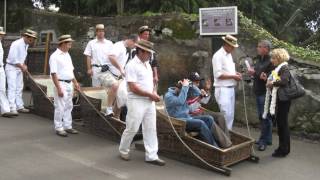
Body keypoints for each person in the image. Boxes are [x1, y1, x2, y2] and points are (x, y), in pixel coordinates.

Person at [119, 40, 165, 166]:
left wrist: (154, 92)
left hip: (149, 101)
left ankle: (151, 155)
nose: (150, 55)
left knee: (151, 128)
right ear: (141, 51)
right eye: (148, 53)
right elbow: (133, 87)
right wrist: (151, 94)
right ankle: (123, 149)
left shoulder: (148, 65)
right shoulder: (131, 65)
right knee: (132, 127)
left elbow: (151, 83)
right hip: (136, 101)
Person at [164, 79, 218, 147]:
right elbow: (180, 101)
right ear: (177, 89)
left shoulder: (183, 92)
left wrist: (191, 84)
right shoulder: (168, 96)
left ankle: (207, 142)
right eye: (184, 90)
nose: (186, 93)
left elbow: (197, 94)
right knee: (201, 123)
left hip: (188, 117)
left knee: (209, 119)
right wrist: (185, 87)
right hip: (179, 121)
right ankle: (214, 147)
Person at [187, 72, 232, 148]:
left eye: (198, 82)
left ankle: (227, 141)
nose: (198, 84)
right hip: (193, 115)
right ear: (190, 82)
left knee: (220, 116)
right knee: (210, 120)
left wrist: (207, 90)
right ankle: (225, 144)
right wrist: (200, 97)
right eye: (196, 82)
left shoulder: (196, 89)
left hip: (201, 111)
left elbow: (205, 101)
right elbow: (189, 109)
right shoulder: (187, 91)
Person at [49, 35, 80, 137]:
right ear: (63, 43)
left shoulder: (67, 54)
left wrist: (75, 83)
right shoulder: (54, 56)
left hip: (69, 83)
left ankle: (67, 126)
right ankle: (58, 127)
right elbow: (54, 74)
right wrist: (58, 88)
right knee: (60, 106)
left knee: (69, 105)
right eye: (69, 43)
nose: (70, 45)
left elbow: (71, 71)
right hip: (60, 83)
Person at [248, 40, 274, 151]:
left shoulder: (271, 61)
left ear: (266, 49)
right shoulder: (260, 60)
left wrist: (255, 73)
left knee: (264, 117)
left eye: (259, 46)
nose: (257, 48)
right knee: (264, 116)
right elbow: (259, 75)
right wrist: (253, 73)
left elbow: (268, 77)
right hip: (258, 91)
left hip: (265, 93)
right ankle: (267, 139)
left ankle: (263, 141)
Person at [212, 34, 242, 130]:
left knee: (230, 115)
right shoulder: (218, 56)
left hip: (230, 88)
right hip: (222, 89)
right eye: (232, 47)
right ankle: (223, 137)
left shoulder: (228, 55)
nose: (233, 49)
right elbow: (218, 75)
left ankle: (228, 135)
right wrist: (233, 76)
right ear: (227, 44)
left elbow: (227, 70)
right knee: (224, 115)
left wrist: (235, 73)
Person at [266, 48, 291, 157]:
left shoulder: (284, 67)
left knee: (283, 124)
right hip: (280, 100)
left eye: (273, 58)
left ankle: (284, 149)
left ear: (279, 58)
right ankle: (282, 148)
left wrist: (272, 83)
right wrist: (269, 80)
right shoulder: (279, 68)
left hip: (283, 100)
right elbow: (278, 80)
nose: (272, 60)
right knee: (281, 124)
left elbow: (284, 81)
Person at [5, 29, 37, 115]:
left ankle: (19, 106)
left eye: (33, 39)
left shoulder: (26, 44)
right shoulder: (16, 44)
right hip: (11, 68)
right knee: (12, 87)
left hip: (18, 68)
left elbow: (22, 57)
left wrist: (24, 65)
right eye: (31, 39)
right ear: (26, 37)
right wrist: (22, 66)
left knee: (19, 87)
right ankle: (12, 107)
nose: (32, 41)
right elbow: (13, 59)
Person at [107, 34, 138, 118]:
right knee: (115, 85)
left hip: (120, 77)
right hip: (109, 74)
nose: (135, 47)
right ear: (131, 40)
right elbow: (111, 57)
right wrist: (120, 68)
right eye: (135, 44)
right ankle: (108, 108)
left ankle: (117, 119)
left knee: (121, 98)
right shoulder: (118, 46)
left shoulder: (127, 49)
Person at [0, 27, 15, 118]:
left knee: (2, 89)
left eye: (1, 34)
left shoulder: (0, 44)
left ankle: (5, 110)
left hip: (1, 68)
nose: (1, 36)